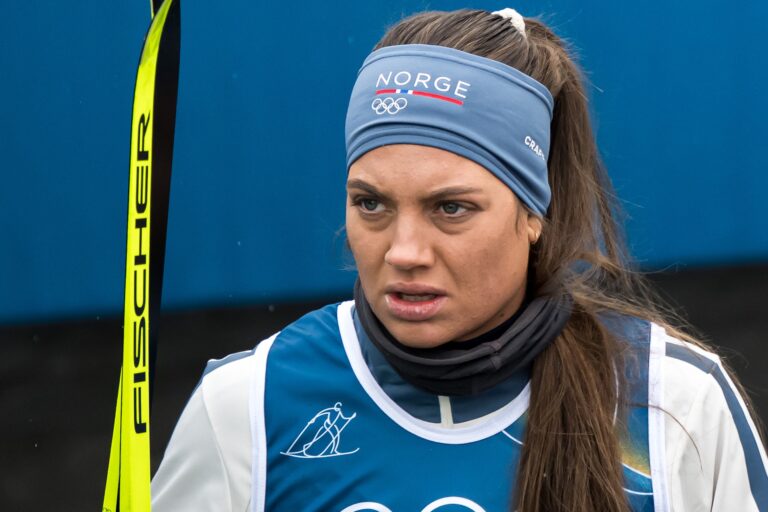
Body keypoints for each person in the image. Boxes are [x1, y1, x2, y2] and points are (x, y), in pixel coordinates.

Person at [151, 8, 768, 512]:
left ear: (535, 213)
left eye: (450, 208)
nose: (404, 252)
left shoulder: (673, 404)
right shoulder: (248, 407)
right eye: (371, 203)